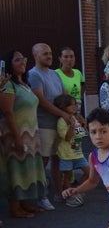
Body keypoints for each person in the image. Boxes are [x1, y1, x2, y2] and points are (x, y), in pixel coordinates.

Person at [0, 50, 48, 218]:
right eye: (17, 60)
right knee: (16, 169)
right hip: (15, 134)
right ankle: (15, 207)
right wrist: (17, 138)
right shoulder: (8, 85)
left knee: (27, 169)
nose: (22, 62)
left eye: (23, 59)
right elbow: (7, 113)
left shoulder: (24, 84)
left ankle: (26, 202)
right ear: (9, 64)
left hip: (31, 134)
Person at [29, 42, 74, 209]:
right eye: (44, 54)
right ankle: (41, 195)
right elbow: (42, 101)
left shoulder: (54, 74)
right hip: (45, 124)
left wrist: (72, 112)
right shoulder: (34, 75)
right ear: (36, 56)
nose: (49, 56)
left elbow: (63, 95)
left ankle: (59, 191)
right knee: (43, 160)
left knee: (57, 158)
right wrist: (63, 114)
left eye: (49, 53)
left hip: (58, 124)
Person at [53, 93, 89, 207]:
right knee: (67, 177)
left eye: (75, 105)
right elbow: (68, 138)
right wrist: (72, 126)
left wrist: (83, 124)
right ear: (63, 107)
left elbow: (82, 134)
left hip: (78, 153)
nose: (75, 107)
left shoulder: (74, 118)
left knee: (89, 172)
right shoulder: (62, 121)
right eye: (71, 105)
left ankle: (77, 190)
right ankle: (70, 197)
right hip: (66, 154)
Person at [55, 47, 86, 118]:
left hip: (77, 109)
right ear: (60, 59)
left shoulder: (78, 73)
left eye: (71, 57)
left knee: (79, 128)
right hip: (64, 111)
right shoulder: (56, 73)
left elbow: (83, 84)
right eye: (66, 57)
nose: (69, 60)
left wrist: (79, 97)